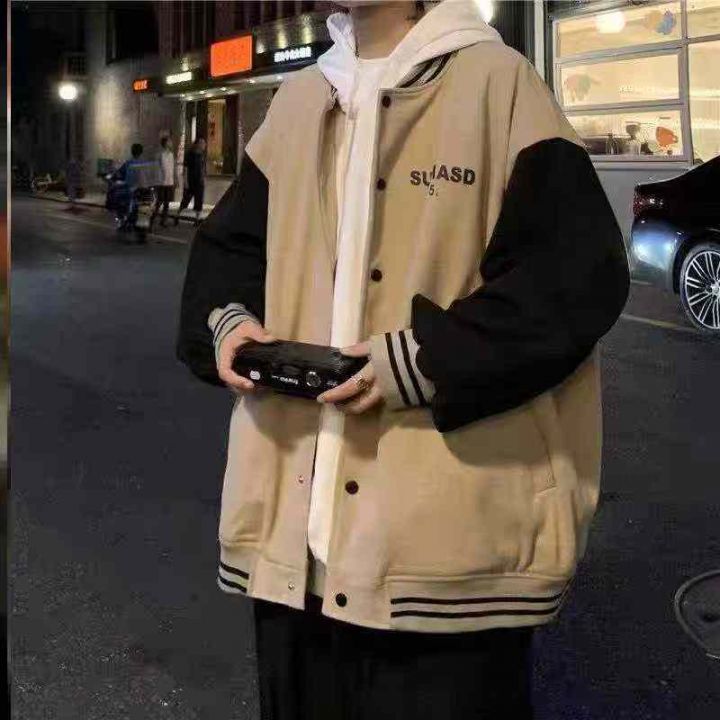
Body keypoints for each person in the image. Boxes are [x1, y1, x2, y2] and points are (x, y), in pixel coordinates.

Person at [177, 1, 630, 718]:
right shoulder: (299, 98)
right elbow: (228, 253)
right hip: (292, 549)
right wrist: (230, 325)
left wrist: (422, 362)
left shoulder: (499, 83)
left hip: (442, 560)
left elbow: (575, 278)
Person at [176, 137, 206, 226]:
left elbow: (202, 168)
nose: (204, 145)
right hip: (191, 181)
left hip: (199, 182)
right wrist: (185, 182)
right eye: (202, 143)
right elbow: (185, 169)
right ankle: (178, 214)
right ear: (197, 144)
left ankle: (197, 220)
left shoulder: (202, 155)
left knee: (199, 201)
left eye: (204, 143)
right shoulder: (190, 154)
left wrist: (203, 178)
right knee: (186, 200)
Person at [149, 136, 176, 230]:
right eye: (169, 141)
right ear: (165, 143)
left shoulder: (171, 155)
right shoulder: (160, 154)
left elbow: (173, 168)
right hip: (161, 182)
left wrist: (175, 179)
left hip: (170, 182)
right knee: (158, 203)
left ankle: (163, 221)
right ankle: (151, 221)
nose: (171, 143)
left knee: (167, 203)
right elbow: (156, 168)